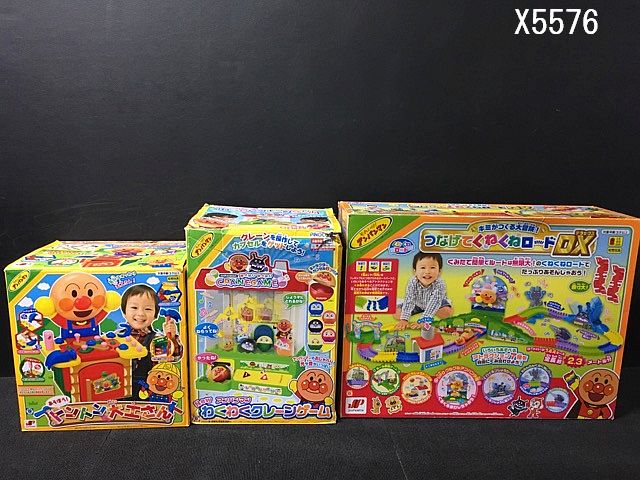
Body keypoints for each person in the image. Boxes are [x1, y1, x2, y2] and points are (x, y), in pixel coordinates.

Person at [395, 252, 452, 330]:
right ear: (415, 271)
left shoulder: (440, 283)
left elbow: (435, 301)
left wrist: (424, 320)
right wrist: (404, 319)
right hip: (417, 303)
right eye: (423, 268)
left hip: (437, 302)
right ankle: (424, 311)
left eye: (432, 267)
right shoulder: (413, 281)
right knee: (397, 313)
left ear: (439, 271)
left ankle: (430, 312)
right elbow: (409, 299)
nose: (427, 271)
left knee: (446, 313)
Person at [121, 284, 159, 399]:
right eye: (134, 307)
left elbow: (171, 355)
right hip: (119, 386)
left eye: (148, 309)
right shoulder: (117, 337)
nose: (141, 313)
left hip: (145, 387)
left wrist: (171, 337)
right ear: (124, 311)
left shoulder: (157, 339)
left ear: (155, 314)